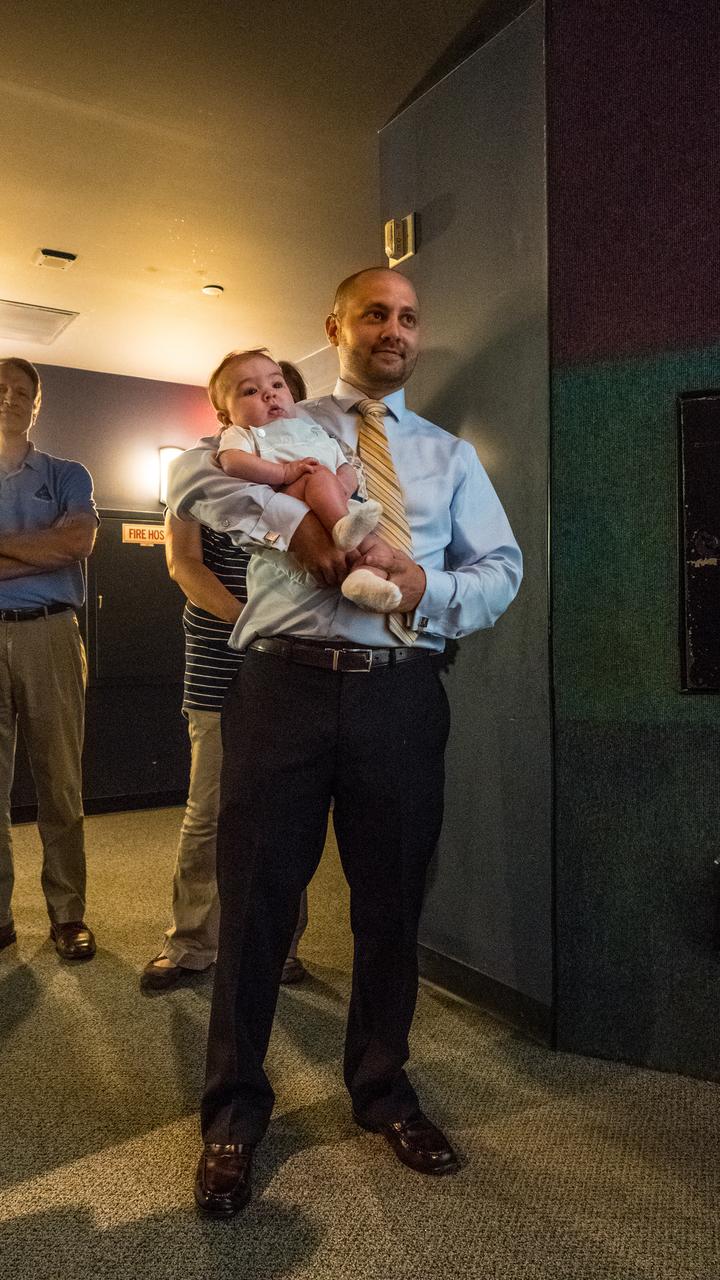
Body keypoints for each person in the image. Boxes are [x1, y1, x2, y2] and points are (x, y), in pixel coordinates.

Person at [167, 268, 523, 1217]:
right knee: (253, 907)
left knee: (391, 904)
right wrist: (293, 520)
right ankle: (235, 1111)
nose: (395, 329)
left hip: (400, 697)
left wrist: (425, 591)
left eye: (410, 316)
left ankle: (382, 1089)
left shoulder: (450, 456)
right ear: (337, 326)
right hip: (281, 688)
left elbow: (502, 570)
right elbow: (194, 477)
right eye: (377, 313)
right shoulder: (283, 423)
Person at [141, 361, 309, 991]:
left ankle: (282, 948)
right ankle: (191, 945)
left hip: (292, 671)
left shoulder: (307, 465)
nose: (269, 400)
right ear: (224, 410)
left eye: (278, 391)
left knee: (284, 814)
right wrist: (254, 625)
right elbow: (184, 566)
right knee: (209, 812)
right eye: (251, 391)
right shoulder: (196, 468)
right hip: (221, 664)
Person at [0, 357, 98, 961]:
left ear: (36, 405)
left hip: (50, 634)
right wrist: (39, 552)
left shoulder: (66, 473)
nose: (9, 397)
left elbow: (77, 542)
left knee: (60, 782)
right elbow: (55, 547)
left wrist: (52, 550)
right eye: (0, 388)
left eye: (21, 392)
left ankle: (67, 915)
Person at [215, 350, 400, 612]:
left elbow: (344, 466)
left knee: (380, 549)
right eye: (250, 392)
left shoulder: (313, 429)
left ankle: (362, 580)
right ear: (225, 417)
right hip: (293, 502)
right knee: (317, 474)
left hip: (340, 506)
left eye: (277, 385)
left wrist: (343, 487)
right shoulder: (241, 433)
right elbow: (232, 461)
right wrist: (285, 473)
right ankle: (342, 528)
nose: (270, 394)